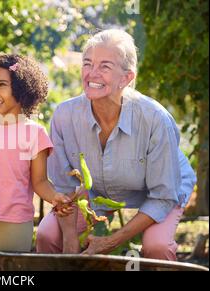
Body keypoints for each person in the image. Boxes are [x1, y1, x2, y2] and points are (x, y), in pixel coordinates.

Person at [36, 29, 197, 261]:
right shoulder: (64, 115)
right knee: (48, 235)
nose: (92, 73)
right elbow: (65, 186)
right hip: (97, 191)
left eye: (105, 66)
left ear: (126, 78)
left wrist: (110, 241)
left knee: (157, 247)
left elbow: (162, 195)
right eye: (87, 63)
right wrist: (70, 240)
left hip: (161, 189)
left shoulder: (155, 119)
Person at [0, 53, 73, 253]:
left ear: (21, 87)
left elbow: (40, 182)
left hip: (14, 224)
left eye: (1, 84)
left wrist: (55, 197)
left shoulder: (35, 133)